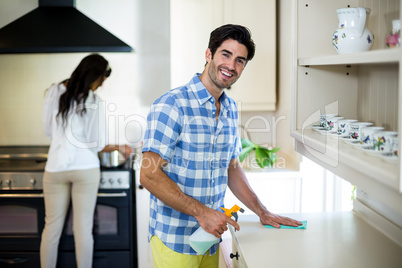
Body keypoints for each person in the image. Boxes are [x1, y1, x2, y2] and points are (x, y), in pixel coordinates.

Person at [140, 24, 302, 267]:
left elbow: (232, 168)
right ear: (209, 55)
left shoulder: (230, 109)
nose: (231, 66)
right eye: (225, 54)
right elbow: (149, 175)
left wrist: (262, 211)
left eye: (240, 60)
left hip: (209, 238)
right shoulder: (173, 104)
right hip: (175, 239)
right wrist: (203, 213)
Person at [40, 53, 133, 268]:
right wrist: (119, 146)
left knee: (51, 228)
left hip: (55, 167)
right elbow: (97, 144)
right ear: (95, 76)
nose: (100, 86)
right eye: (101, 81)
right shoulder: (94, 101)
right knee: (83, 229)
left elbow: (47, 132)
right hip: (85, 169)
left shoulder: (54, 91)